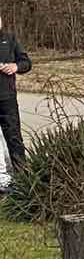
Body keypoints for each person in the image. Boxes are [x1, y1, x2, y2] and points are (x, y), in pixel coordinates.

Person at [0, 10, 32, 170]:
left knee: (14, 138)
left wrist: (15, 66)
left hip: (7, 98)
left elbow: (26, 63)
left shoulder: (10, 39)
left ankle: (22, 176)